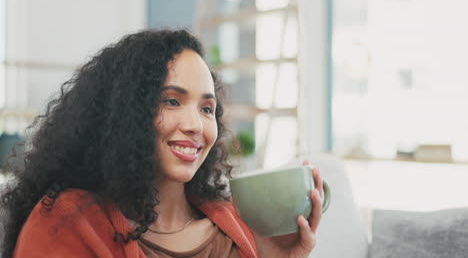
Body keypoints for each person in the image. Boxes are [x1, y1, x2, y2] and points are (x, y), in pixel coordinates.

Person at [0, 29, 324, 258]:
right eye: (171, 101)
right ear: (125, 113)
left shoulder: (235, 222)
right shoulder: (67, 220)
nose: (195, 125)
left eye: (206, 109)